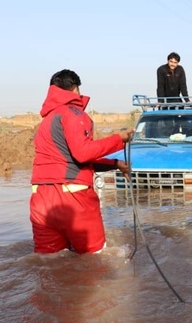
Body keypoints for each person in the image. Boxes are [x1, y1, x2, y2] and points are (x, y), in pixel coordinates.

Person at [30, 69, 134, 254]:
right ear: (76, 89)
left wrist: (114, 164)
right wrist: (119, 139)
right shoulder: (73, 113)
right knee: (96, 260)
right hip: (72, 197)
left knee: (49, 263)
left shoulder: (46, 121)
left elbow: (68, 159)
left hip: (41, 199)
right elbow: (82, 153)